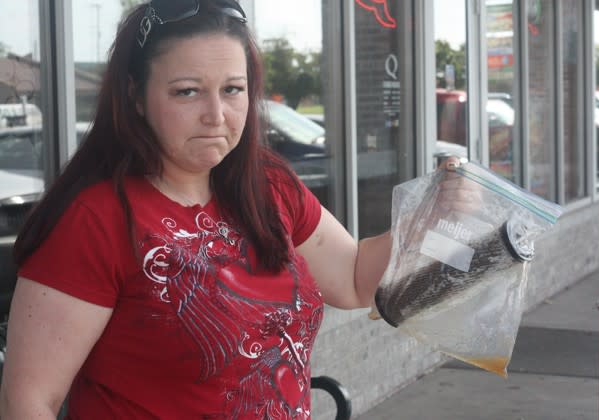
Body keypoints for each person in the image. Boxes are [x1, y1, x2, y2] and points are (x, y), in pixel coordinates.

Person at [0, 0, 470, 418]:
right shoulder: (95, 220)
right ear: (135, 96)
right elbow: (28, 401)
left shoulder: (267, 185)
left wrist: (432, 214)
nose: (216, 114)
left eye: (232, 89)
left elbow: (352, 280)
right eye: (187, 91)